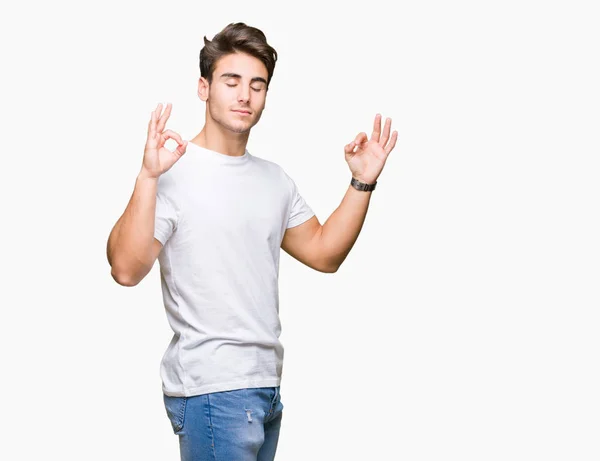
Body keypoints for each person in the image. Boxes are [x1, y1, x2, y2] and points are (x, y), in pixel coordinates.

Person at [106, 22, 397, 461]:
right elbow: (126, 269)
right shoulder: (172, 171)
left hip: (265, 386)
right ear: (204, 88)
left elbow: (324, 253)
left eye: (257, 85)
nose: (245, 95)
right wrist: (148, 175)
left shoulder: (273, 180)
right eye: (232, 81)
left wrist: (361, 182)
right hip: (213, 389)